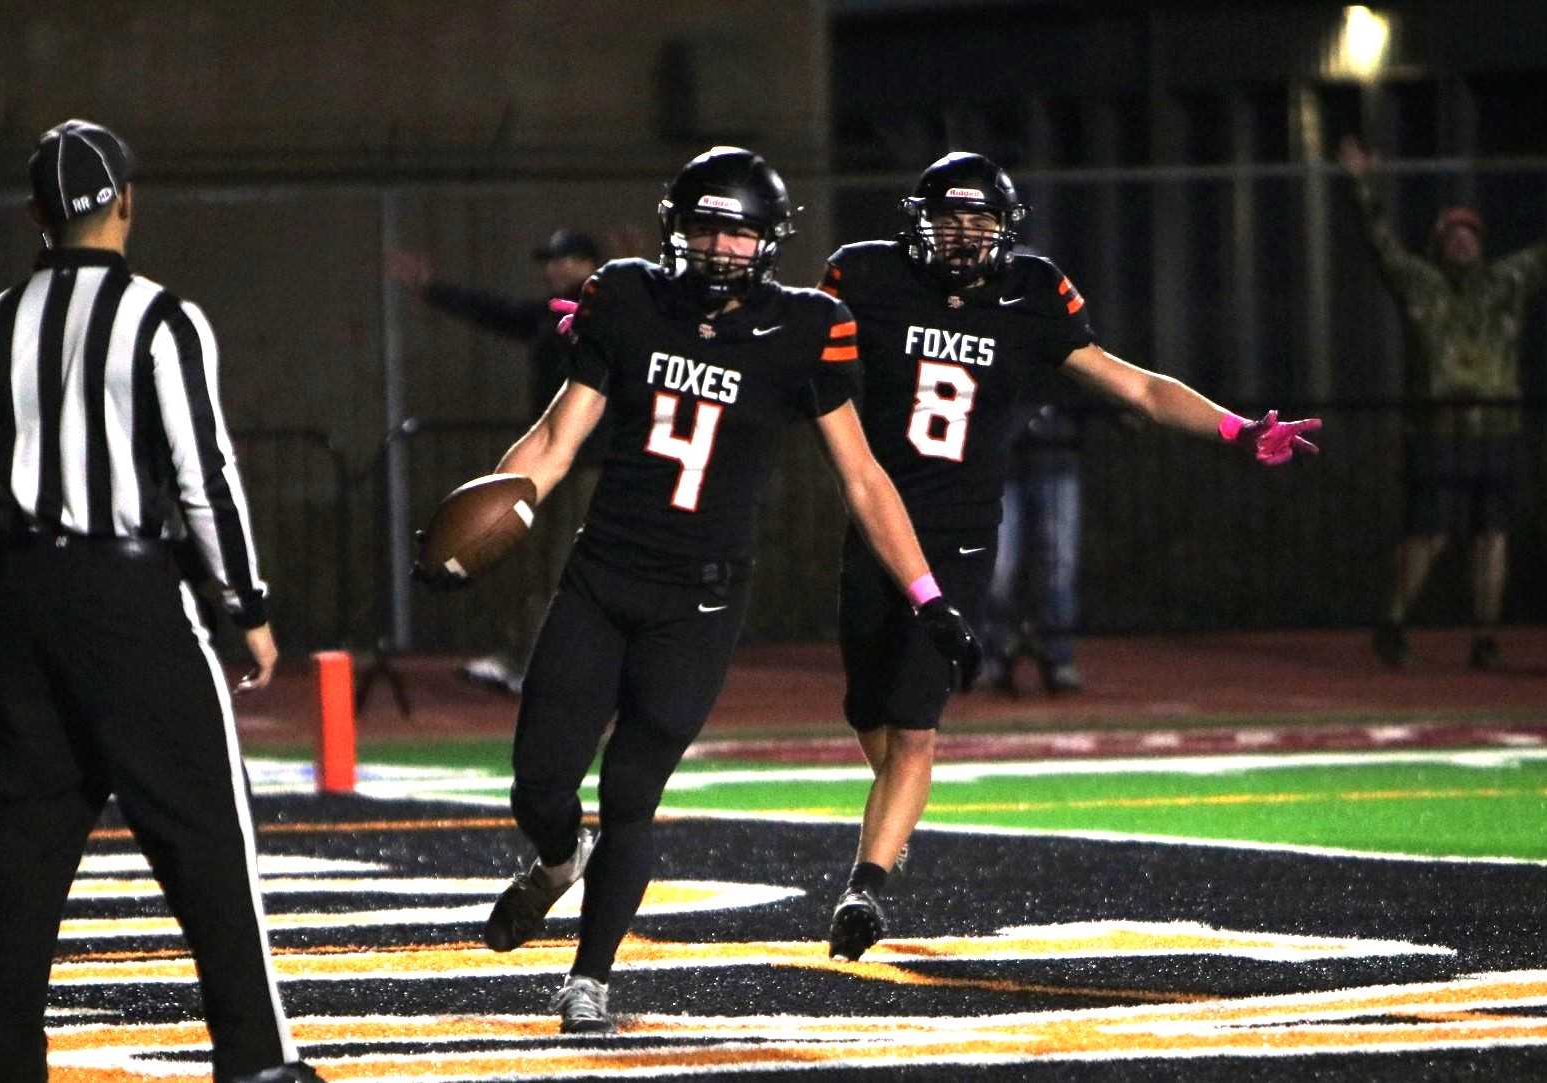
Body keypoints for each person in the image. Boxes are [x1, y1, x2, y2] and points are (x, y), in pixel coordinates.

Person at [418, 146, 979, 1035]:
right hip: (603, 577)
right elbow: (557, 438)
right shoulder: (627, 297)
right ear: (675, 228)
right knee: (538, 783)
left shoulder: (804, 327)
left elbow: (864, 477)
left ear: (770, 240)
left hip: (700, 603)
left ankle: (589, 979)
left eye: (739, 231)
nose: (721, 246)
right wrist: (497, 515)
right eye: (706, 227)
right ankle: (558, 859)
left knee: (632, 790)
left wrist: (927, 594)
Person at [817, 151, 1321, 961]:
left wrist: (1236, 427)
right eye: (950, 219)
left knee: (914, 726)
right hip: (876, 525)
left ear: (1006, 228)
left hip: (958, 536)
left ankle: (865, 885)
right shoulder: (867, 277)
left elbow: (1138, 387)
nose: (964, 235)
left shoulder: (1032, 292)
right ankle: (894, 820)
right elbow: (782, 347)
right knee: (868, 711)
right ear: (918, 223)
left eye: (980, 221)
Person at [0, 120, 321, 1082]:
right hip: (127, 592)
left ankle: (7, 1062)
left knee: (25, 845)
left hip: (21, 595)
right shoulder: (161, 318)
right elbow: (204, 473)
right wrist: (246, 604)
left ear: (38, 213)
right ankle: (255, 1059)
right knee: (208, 828)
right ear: (127, 201)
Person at [1338, 136, 1547, 669]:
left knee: (1492, 534)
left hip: (1496, 429)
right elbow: (1381, 244)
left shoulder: (1505, 282)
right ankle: (1393, 623)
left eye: (1470, 234)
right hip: (1437, 428)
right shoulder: (1422, 284)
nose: (1462, 241)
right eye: (1453, 234)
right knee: (1427, 533)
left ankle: (1485, 636)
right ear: (1439, 244)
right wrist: (1363, 185)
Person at [387, 228, 604, 694]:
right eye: (550, 260)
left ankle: (544, 665)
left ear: (588, 263)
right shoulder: (553, 313)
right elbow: (498, 312)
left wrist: (634, 266)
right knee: (543, 563)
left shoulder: (608, 310)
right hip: (555, 460)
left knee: (565, 566)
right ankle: (535, 660)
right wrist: (432, 289)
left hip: (590, 463)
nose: (553, 268)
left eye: (563, 259)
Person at [982, 399, 1085, 695]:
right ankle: (992, 653)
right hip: (1003, 460)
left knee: (1059, 565)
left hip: (1056, 455)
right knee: (999, 567)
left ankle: (1059, 655)